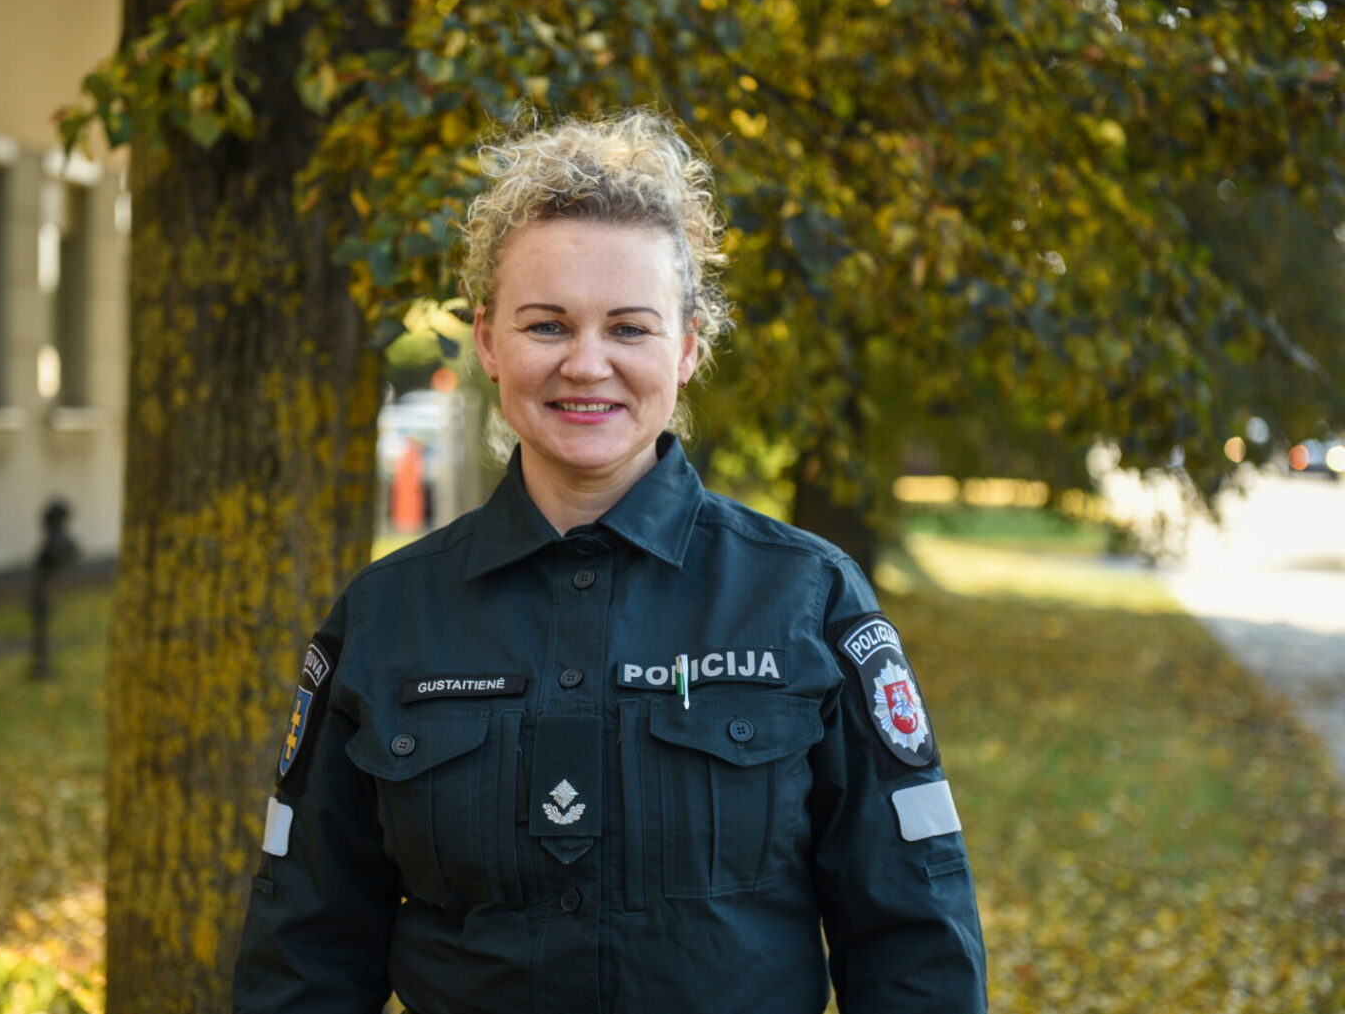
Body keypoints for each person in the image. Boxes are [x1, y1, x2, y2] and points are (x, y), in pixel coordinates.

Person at [232, 110, 987, 1014]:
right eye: (547, 325)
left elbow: (914, 946)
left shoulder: (808, 600)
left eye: (629, 329)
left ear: (688, 346)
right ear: (488, 341)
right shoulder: (385, 617)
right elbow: (304, 955)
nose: (587, 365)